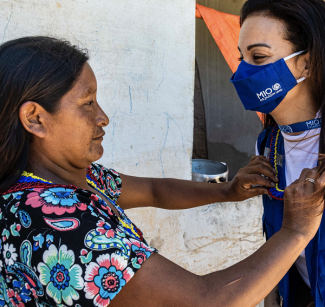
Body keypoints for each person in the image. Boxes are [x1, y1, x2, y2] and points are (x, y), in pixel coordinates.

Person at [0, 36, 323, 307]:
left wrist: (228, 191)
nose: (103, 118)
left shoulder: (72, 180)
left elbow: (155, 191)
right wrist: (296, 231)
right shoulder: (58, 223)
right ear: (35, 118)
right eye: (87, 104)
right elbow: (206, 301)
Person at [230, 0, 325, 306]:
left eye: (258, 57)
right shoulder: (268, 146)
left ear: (306, 63)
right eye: (241, 58)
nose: (242, 72)